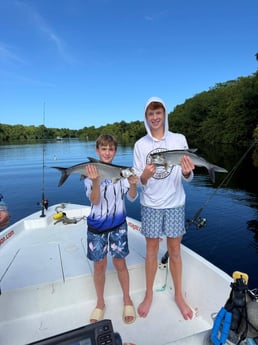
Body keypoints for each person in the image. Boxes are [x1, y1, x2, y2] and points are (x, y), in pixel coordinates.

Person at [133, 97, 195, 320]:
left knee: (175, 251)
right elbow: (138, 181)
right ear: (146, 117)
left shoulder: (179, 139)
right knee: (151, 251)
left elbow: (188, 175)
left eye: (158, 112)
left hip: (175, 204)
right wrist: (144, 176)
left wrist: (188, 172)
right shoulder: (140, 145)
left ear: (164, 114)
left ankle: (179, 295)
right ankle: (149, 294)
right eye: (151, 114)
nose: (155, 117)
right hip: (150, 205)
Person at [84, 134, 138, 324]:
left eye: (111, 149)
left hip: (118, 225)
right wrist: (96, 181)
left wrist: (133, 185)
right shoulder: (89, 173)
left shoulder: (121, 172)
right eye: (104, 149)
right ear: (97, 151)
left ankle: (127, 299)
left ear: (115, 151)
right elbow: (95, 200)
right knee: (99, 265)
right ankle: (100, 303)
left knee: (120, 262)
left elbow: (131, 197)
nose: (107, 152)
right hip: (96, 226)